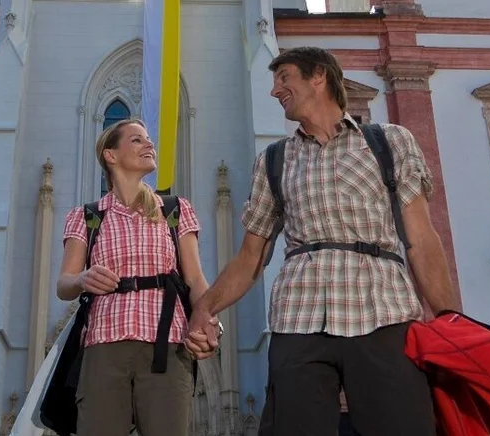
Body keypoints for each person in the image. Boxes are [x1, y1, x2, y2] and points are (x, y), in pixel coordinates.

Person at [184, 46, 462, 436]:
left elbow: (421, 239)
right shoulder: (274, 160)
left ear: (319, 77)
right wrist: (205, 308)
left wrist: (451, 320)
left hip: (384, 312)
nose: (274, 90)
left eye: (284, 78)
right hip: (300, 317)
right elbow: (250, 258)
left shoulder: (389, 142)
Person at [56, 118, 213, 436]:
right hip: (103, 346)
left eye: (148, 139)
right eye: (137, 140)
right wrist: (83, 278)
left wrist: (209, 322)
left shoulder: (175, 209)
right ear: (110, 155)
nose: (149, 144)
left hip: (167, 346)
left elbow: (195, 278)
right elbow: (65, 284)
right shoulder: (87, 216)